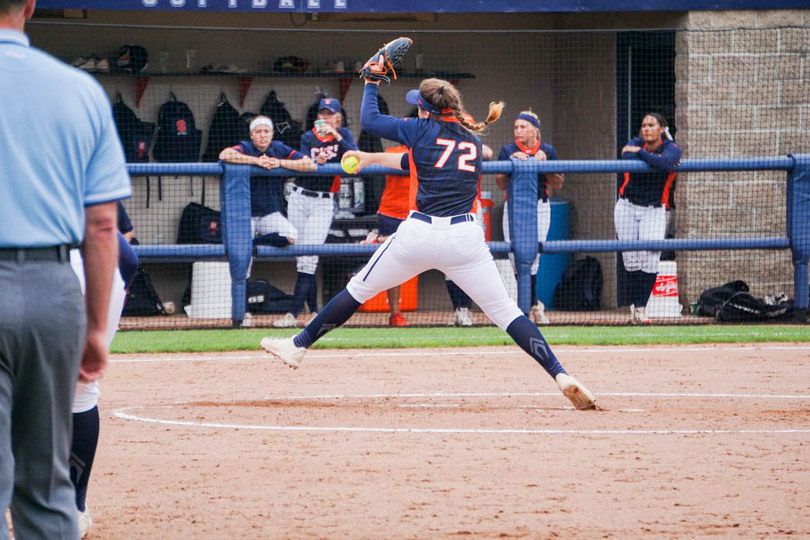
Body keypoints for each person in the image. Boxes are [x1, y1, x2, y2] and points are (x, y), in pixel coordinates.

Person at [260, 76, 596, 411]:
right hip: (465, 239)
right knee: (507, 312)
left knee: (358, 289)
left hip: (418, 235)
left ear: (425, 111)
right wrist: (370, 158)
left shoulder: (420, 129)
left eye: (418, 107)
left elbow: (370, 120)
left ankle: (298, 345)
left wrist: (372, 81)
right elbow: (412, 162)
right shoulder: (472, 138)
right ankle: (560, 374)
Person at [0, 1, 132, 537]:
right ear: (30, 5)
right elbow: (103, 226)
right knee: (47, 486)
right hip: (51, 288)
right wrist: (95, 328)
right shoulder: (78, 89)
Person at [69, 232, 138, 538]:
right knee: (80, 391)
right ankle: (74, 507)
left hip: (38, 261)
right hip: (108, 261)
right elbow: (126, 250)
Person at [273, 97, 359, 328]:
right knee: (302, 257)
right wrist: (314, 159)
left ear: (338, 116)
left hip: (323, 201)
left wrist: (337, 135)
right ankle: (314, 311)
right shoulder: (308, 136)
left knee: (309, 258)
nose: (326, 118)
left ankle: (292, 314)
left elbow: (355, 155)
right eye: (323, 114)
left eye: (330, 114)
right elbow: (302, 160)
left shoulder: (345, 136)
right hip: (299, 197)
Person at [495, 110, 564, 326]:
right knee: (516, 257)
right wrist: (510, 163)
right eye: (516, 127)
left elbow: (558, 183)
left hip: (540, 206)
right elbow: (500, 184)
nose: (518, 131)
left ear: (535, 129)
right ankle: (532, 304)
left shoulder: (547, 149)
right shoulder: (508, 149)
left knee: (533, 255)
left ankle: (528, 306)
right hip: (514, 207)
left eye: (523, 127)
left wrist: (544, 164)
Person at [615, 112, 681, 324]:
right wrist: (651, 158)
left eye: (651, 125)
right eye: (643, 125)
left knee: (651, 256)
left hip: (654, 208)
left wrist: (644, 155)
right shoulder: (635, 143)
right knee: (630, 257)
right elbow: (626, 155)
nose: (646, 129)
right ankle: (635, 308)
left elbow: (666, 163)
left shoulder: (671, 147)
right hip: (627, 206)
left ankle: (642, 308)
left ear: (662, 129)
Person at [218, 115, 315, 247]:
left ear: (272, 134)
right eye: (258, 132)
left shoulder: (278, 148)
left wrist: (280, 163)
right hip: (246, 214)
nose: (262, 135)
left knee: (291, 235)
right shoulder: (246, 147)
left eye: (266, 131)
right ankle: (247, 247)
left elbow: (310, 164)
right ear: (251, 135)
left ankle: (252, 244)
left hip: (269, 213)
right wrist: (256, 161)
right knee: (244, 260)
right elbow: (224, 155)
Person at [361, 144, 411, 327]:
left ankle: (376, 238)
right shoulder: (393, 151)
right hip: (391, 212)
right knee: (393, 265)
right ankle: (395, 314)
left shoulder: (428, 148)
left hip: (416, 212)